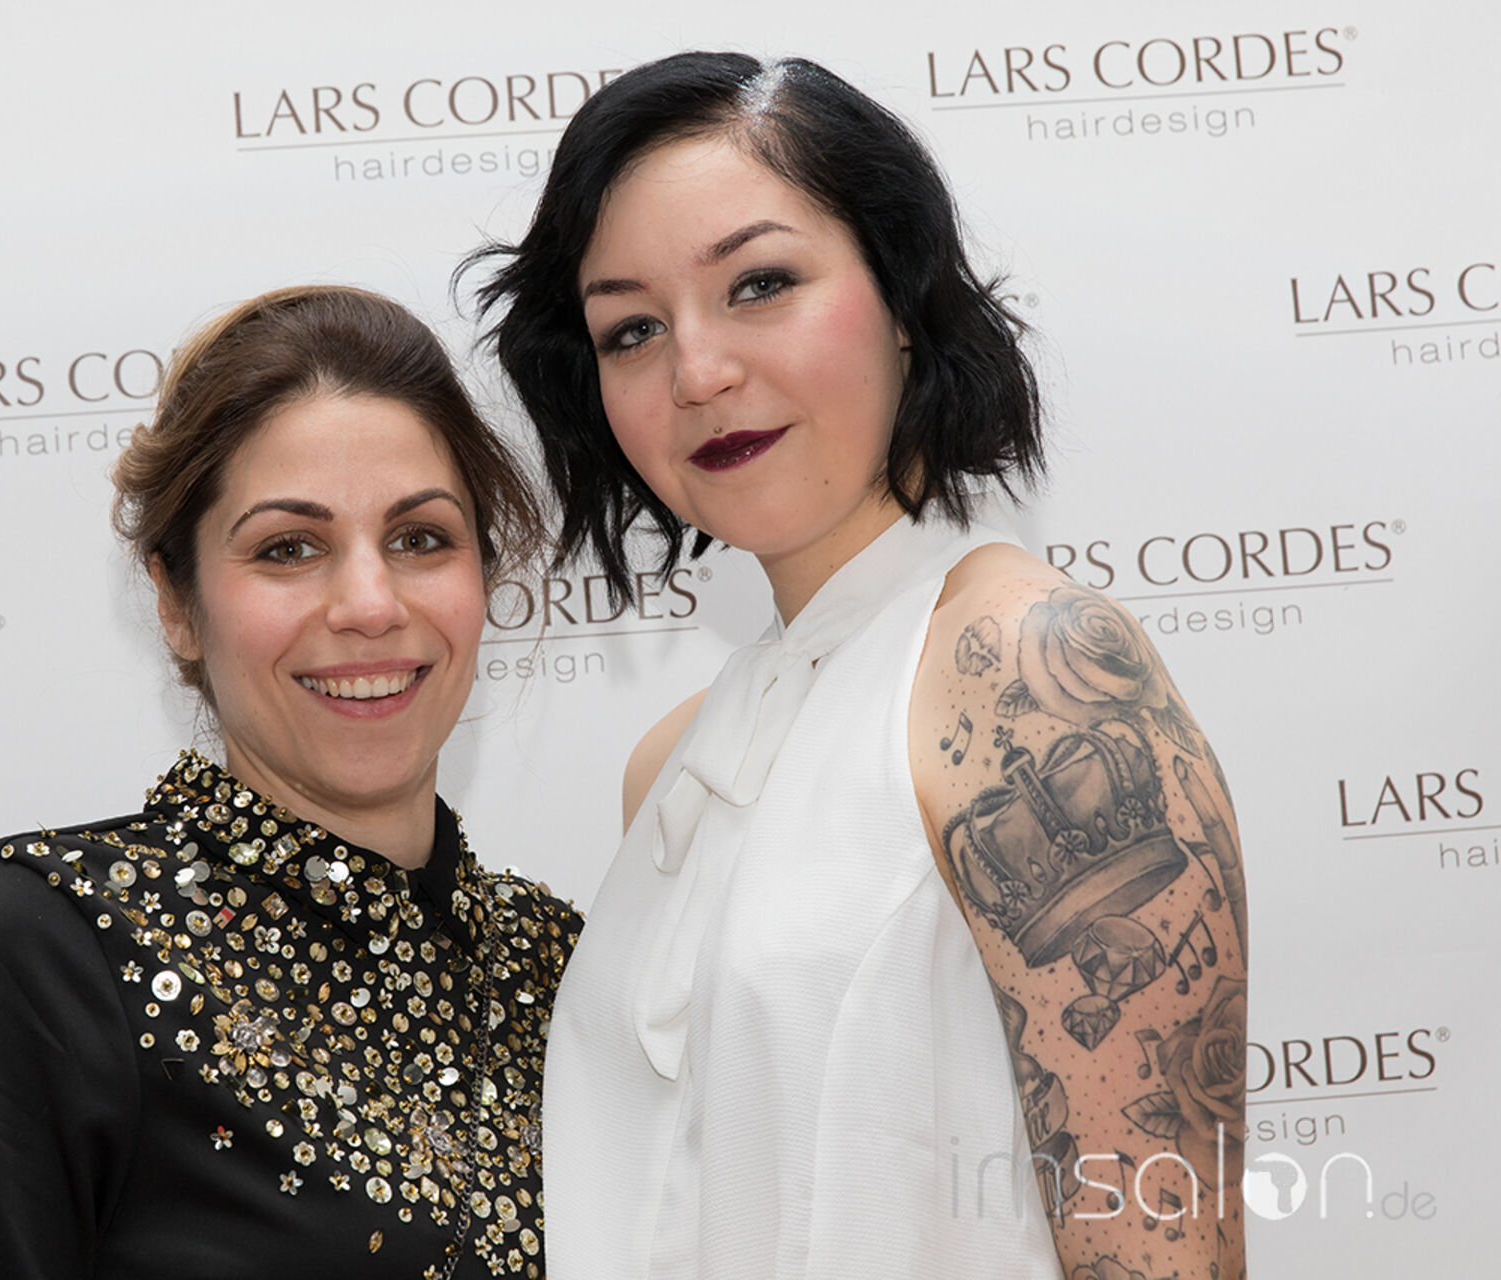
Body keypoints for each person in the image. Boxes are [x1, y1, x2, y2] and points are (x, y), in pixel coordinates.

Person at [472, 52, 1248, 1280]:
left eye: (760, 283)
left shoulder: (1022, 669)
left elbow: (1162, 1250)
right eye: (632, 329)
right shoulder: (672, 766)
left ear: (899, 291)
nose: (696, 371)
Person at [0, 286, 579, 1280]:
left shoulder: (563, 964)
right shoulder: (48, 951)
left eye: (420, 538)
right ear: (177, 603)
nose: (370, 603)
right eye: (289, 548)